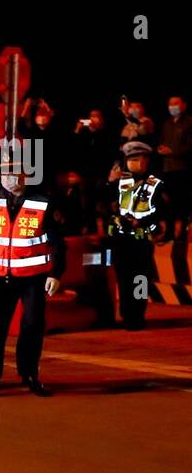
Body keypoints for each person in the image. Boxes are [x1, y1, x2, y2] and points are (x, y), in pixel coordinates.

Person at [0, 161, 66, 396]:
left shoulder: (42, 203)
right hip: (1, 278)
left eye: (18, 173)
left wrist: (56, 274)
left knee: (32, 326)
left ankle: (29, 375)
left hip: (33, 279)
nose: (12, 178)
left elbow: (58, 242)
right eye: (7, 173)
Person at [106, 141, 163, 331]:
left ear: (146, 161)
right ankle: (126, 314)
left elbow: (161, 210)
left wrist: (144, 223)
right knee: (124, 278)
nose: (134, 163)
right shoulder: (121, 181)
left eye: (138, 159)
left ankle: (138, 315)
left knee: (140, 279)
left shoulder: (155, 183)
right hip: (121, 239)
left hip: (141, 239)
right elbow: (103, 203)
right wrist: (110, 182)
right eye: (130, 159)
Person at [157, 95, 191, 238]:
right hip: (168, 168)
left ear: (184, 105)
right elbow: (162, 142)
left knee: (183, 202)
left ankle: (183, 232)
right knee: (169, 202)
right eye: (170, 104)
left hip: (183, 168)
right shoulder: (167, 124)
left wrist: (173, 151)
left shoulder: (189, 122)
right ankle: (169, 232)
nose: (172, 106)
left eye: (176, 103)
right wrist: (160, 149)